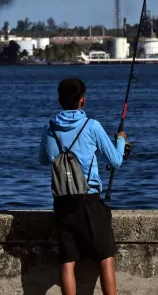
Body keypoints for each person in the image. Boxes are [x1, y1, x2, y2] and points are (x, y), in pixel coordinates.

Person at [39, 77, 127, 295]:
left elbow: (43, 159)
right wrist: (121, 140)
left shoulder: (49, 128)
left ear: (60, 100)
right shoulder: (92, 126)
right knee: (105, 257)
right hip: (89, 201)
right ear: (82, 101)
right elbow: (116, 160)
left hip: (62, 202)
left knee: (68, 260)